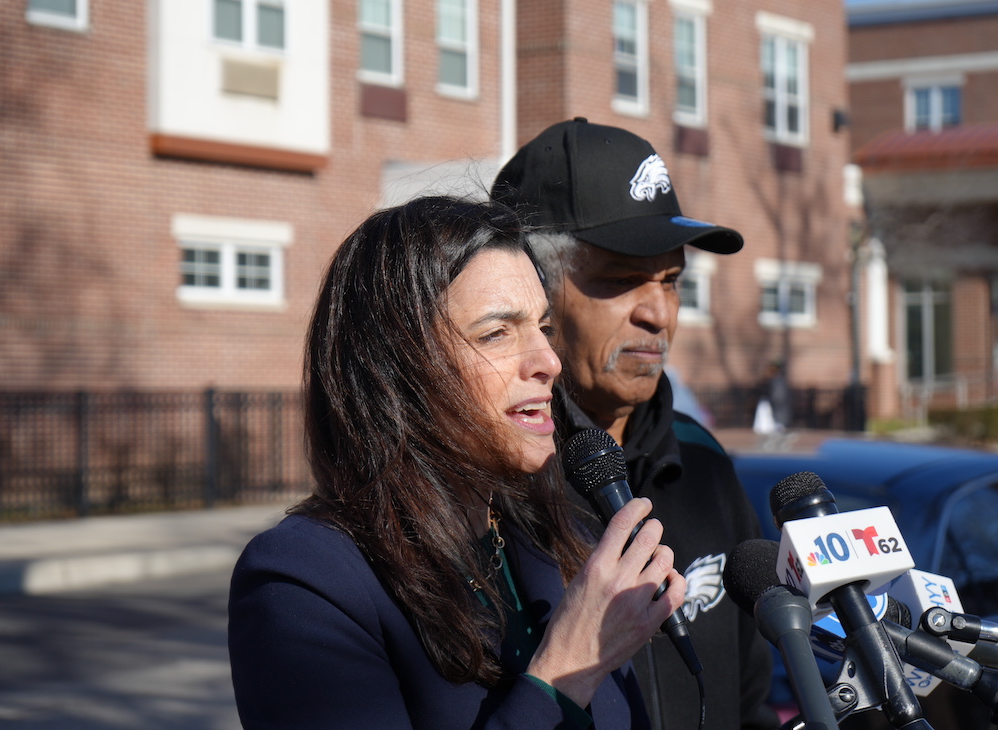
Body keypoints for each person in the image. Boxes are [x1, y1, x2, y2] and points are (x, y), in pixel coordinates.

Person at [228, 196, 688, 730]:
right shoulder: (303, 582)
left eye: (543, 327)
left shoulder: (549, 537)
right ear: (397, 371)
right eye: (497, 332)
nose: (548, 362)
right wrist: (565, 670)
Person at [492, 119, 780, 730]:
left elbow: (750, 700)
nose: (659, 313)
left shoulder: (702, 461)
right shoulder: (486, 488)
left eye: (671, 281)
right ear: (531, 294)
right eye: (621, 281)